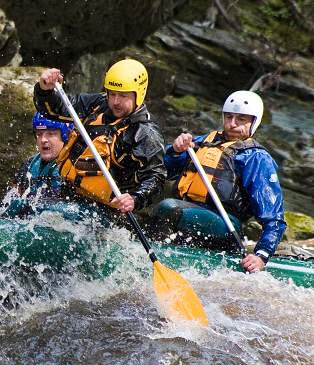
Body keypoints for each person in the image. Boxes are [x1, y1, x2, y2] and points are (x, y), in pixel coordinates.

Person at [156, 90, 286, 273]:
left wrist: (261, 255)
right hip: (190, 209)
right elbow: (163, 169)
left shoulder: (256, 158)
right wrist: (176, 151)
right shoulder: (203, 142)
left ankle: (155, 255)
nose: (232, 124)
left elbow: (274, 217)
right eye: (229, 117)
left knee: (169, 208)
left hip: (225, 224)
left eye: (241, 119)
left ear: (253, 122)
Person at [32, 58, 166, 216]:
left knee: (47, 212)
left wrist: (135, 199)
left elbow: (156, 177)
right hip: (68, 194)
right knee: (22, 206)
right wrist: (45, 90)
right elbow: (55, 110)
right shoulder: (99, 104)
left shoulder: (145, 134)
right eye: (112, 94)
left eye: (123, 96)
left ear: (139, 94)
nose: (115, 102)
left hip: (103, 212)